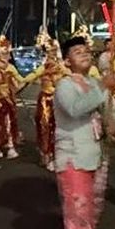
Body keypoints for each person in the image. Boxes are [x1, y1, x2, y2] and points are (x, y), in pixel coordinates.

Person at [53, 35, 115, 229]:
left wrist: (113, 121)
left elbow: (107, 114)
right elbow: (75, 109)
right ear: (66, 61)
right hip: (73, 157)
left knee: (90, 214)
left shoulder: (95, 82)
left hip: (97, 155)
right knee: (80, 220)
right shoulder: (65, 85)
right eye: (77, 52)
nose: (85, 54)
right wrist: (103, 88)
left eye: (86, 51)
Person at [23, 30, 69, 171]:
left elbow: (71, 76)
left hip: (59, 101)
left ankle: (57, 155)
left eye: (54, 51)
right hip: (46, 101)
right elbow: (31, 76)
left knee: (60, 129)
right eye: (49, 52)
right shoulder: (43, 68)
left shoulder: (62, 67)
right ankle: (47, 154)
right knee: (45, 127)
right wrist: (19, 82)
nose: (52, 54)